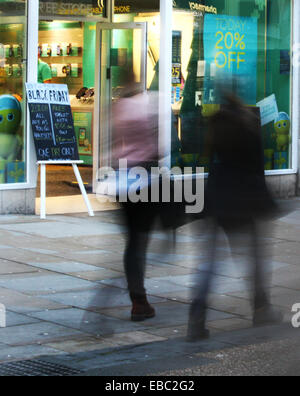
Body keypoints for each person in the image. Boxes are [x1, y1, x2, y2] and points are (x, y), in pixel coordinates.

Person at [186, 93, 282, 342]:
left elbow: (208, 160)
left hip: (217, 198)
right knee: (254, 258)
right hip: (243, 201)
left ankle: (196, 318)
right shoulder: (248, 125)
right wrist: (266, 204)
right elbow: (256, 169)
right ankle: (261, 309)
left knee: (209, 264)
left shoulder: (216, 124)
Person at [111, 73, 186, 322]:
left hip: (123, 180)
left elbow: (112, 142)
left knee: (133, 242)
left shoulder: (118, 108)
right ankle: (169, 234)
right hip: (145, 178)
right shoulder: (148, 103)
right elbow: (158, 145)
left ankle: (138, 300)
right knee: (144, 236)